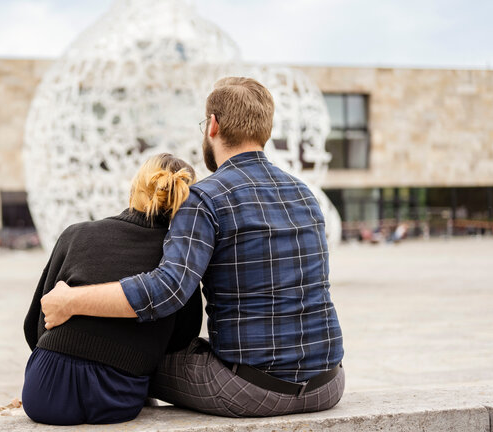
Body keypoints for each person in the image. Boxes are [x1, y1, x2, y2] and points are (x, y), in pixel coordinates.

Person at [41, 77, 345, 418]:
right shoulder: (305, 195)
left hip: (251, 391)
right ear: (266, 130)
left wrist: (70, 301)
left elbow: (167, 290)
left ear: (212, 126)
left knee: (135, 359)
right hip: (327, 385)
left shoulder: (206, 198)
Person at [21, 153, 203, 425]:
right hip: (118, 396)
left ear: (134, 189)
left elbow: (35, 324)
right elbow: (183, 336)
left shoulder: (75, 234)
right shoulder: (177, 261)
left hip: (43, 391)